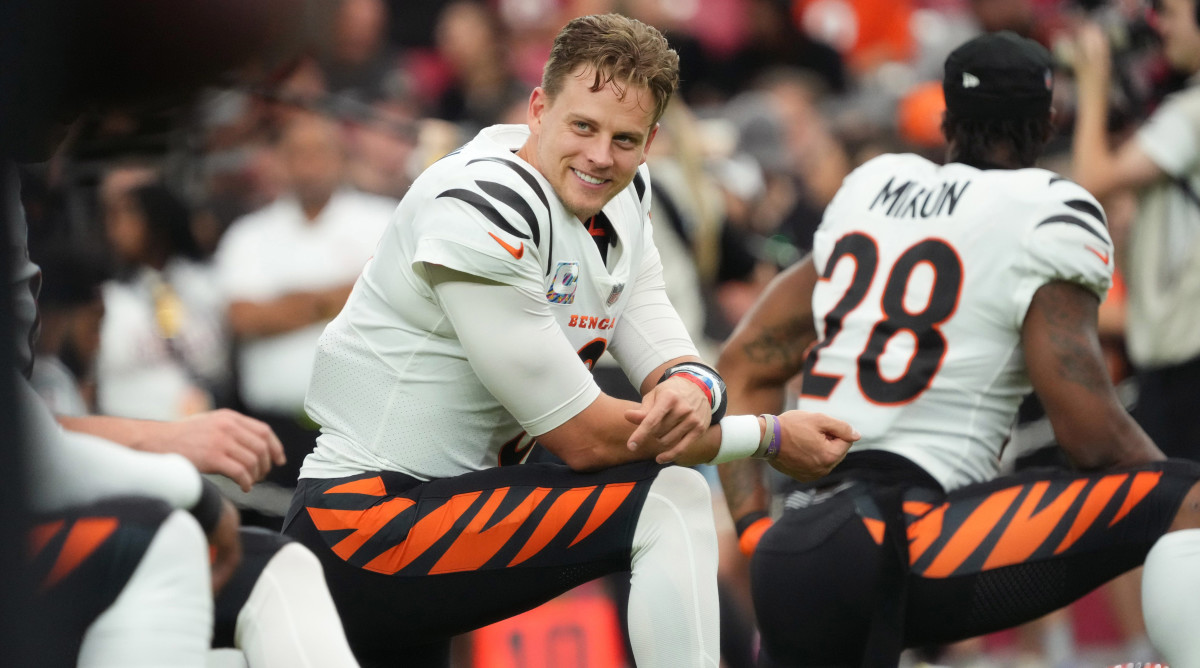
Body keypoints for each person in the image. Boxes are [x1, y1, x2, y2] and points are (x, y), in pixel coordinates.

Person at [282, 13, 858, 668]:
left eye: (624, 138)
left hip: (435, 516)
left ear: (651, 144)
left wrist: (695, 393)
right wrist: (771, 437)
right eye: (583, 126)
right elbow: (583, 439)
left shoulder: (626, 195)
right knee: (672, 498)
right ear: (538, 108)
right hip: (363, 522)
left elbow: (670, 352)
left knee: (671, 487)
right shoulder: (480, 204)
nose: (599, 156)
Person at [715, 31, 1200, 667]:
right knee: (1189, 500)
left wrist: (754, 528)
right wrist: (1164, 493)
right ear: (1049, 120)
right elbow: (1089, 435)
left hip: (795, 547)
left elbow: (742, 363)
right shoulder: (1046, 208)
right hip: (910, 535)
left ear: (946, 118)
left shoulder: (874, 189)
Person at [214, 110, 396, 495]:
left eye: (320, 152)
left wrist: (286, 305)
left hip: (365, 429)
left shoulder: (383, 220)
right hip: (271, 432)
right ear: (280, 161)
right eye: (298, 153)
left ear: (342, 158)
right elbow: (243, 318)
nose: (309, 164)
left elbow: (397, 300)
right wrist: (347, 294)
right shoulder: (248, 234)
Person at [1071, 0, 1200, 467]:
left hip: (1186, 358)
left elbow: (1090, 179)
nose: (1157, 26)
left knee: (1180, 520)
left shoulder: (1192, 112)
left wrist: (1092, 84)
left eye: (1168, 13)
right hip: (1179, 354)